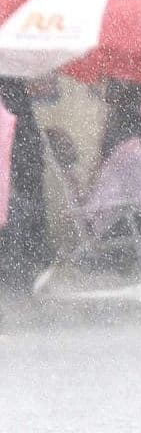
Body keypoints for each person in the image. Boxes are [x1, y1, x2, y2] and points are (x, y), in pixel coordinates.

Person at [0, 78, 52, 291]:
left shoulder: (12, 92)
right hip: (20, 167)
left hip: (19, 168)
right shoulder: (14, 88)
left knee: (19, 222)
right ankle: (23, 273)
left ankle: (20, 275)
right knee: (21, 222)